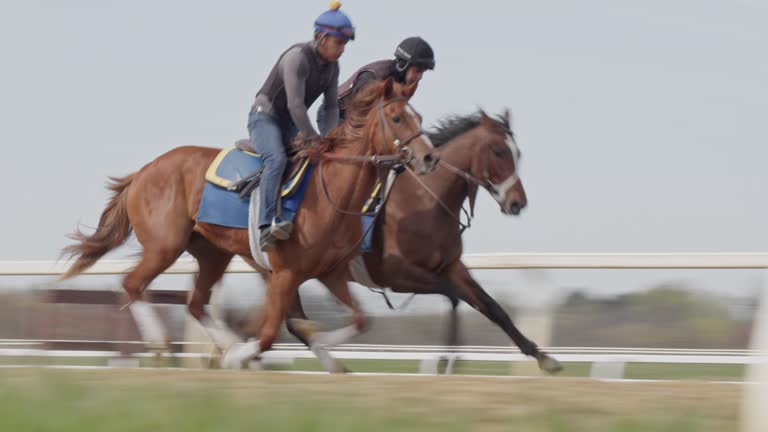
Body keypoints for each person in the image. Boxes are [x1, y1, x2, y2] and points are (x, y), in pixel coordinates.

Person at [248, 1, 354, 252]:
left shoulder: (332, 67)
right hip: (265, 118)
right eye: (339, 43)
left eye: (344, 45)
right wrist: (312, 137)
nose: (342, 50)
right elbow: (296, 106)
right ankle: (265, 226)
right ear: (320, 37)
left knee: (320, 160)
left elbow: (329, 107)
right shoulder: (297, 58)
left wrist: (328, 138)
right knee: (276, 160)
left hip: (292, 124)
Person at [318, 36, 435, 133]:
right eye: (417, 71)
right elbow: (356, 116)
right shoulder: (372, 77)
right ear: (403, 65)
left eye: (423, 72)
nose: (420, 77)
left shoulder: (406, 85)